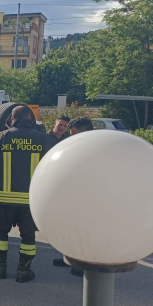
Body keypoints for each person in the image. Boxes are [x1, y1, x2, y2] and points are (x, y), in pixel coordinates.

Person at [0, 106, 47, 283]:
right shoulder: (43, 139)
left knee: (0, 233)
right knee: (28, 236)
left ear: (11, 119)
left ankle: (0, 267)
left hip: (5, 199)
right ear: (30, 118)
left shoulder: (2, 137)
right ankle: (24, 271)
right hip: (31, 200)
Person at [53, 116, 95, 275]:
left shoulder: (94, 146)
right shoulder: (80, 145)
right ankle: (69, 257)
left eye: (74, 134)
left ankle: (83, 265)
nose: (71, 138)